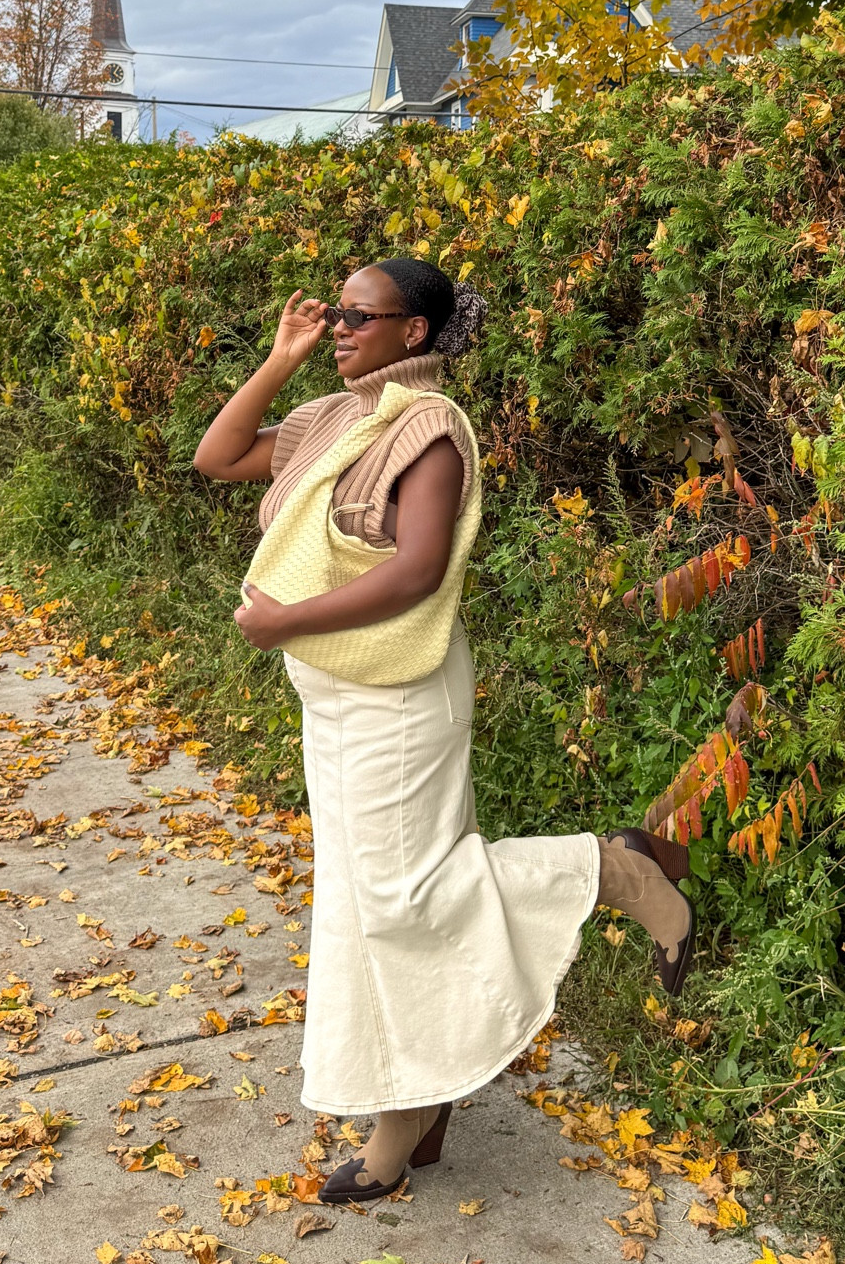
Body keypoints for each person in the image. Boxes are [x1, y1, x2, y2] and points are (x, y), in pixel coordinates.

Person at [193, 257, 694, 1203]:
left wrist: (286, 620)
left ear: (412, 332)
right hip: (333, 696)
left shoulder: (428, 430)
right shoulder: (335, 419)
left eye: (359, 316)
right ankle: (415, 1105)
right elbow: (217, 458)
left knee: (405, 895)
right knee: (360, 905)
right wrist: (280, 358)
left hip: (399, 697)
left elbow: (418, 569)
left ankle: (615, 869)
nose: (340, 328)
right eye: (336, 314)